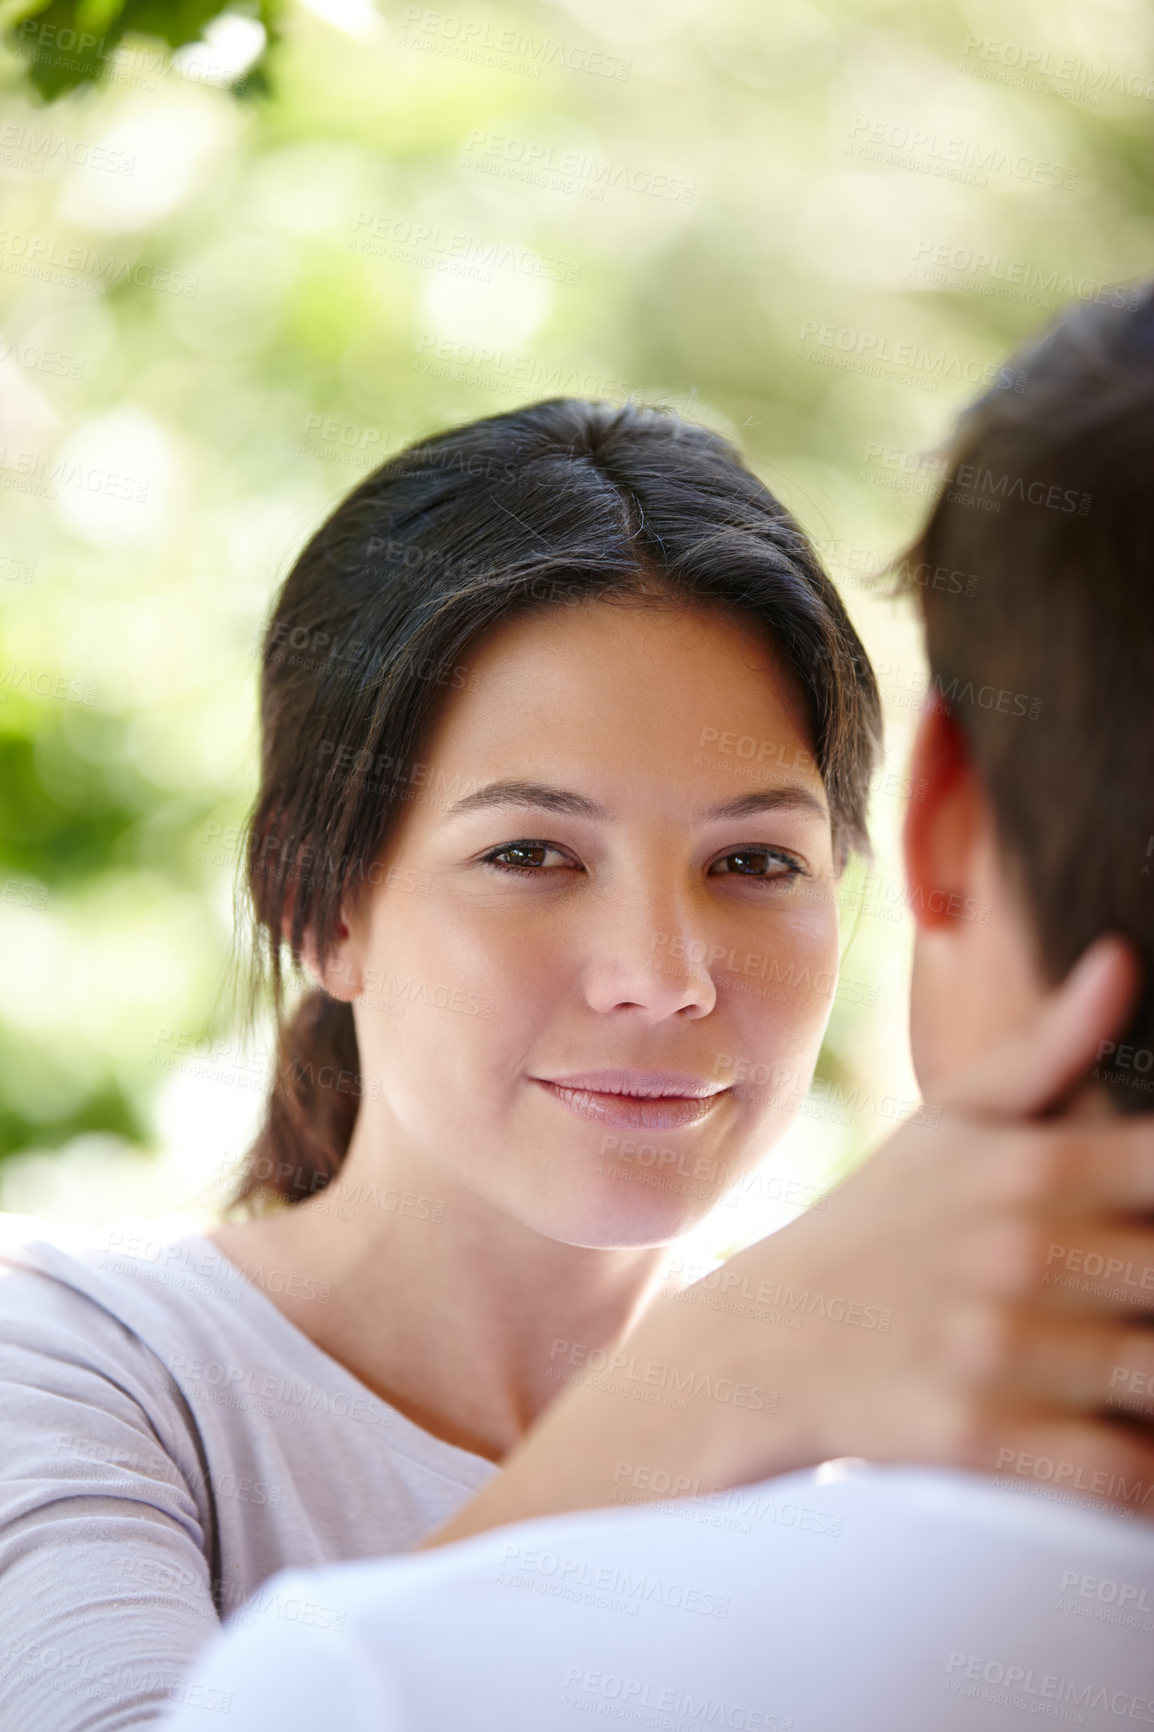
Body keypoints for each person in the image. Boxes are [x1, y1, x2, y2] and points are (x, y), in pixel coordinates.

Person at [3, 396, 1153, 1732]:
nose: (662, 975)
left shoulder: (908, 1433)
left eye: (751, 863)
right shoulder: (82, 1371)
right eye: (530, 855)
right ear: (318, 906)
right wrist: (715, 1387)